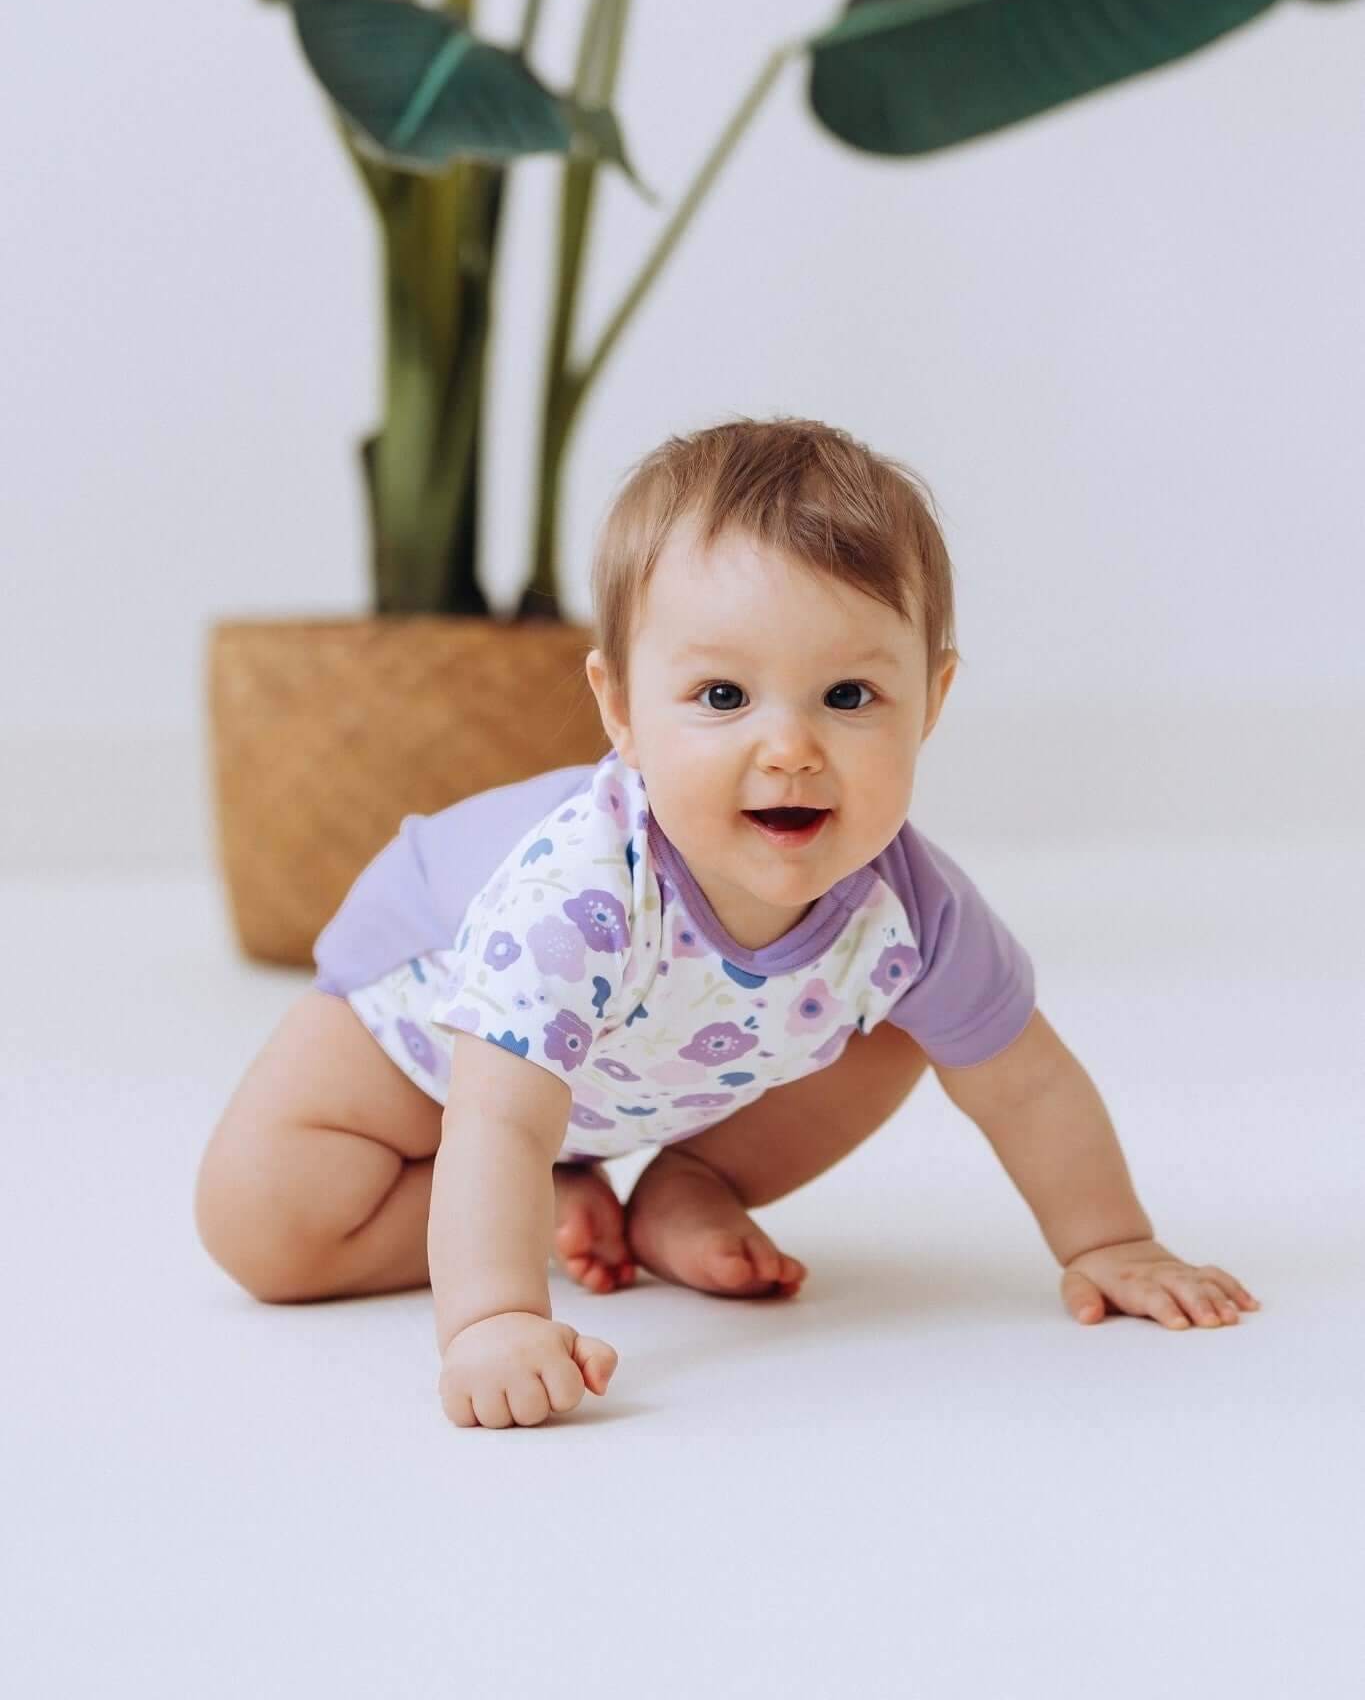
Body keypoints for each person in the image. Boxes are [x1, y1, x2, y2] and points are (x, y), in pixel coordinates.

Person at [194, 414, 1260, 1429]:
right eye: (721, 696)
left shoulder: (909, 911)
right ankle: (553, 1214)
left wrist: (1111, 1241)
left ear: (931, 701)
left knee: (912, 1026)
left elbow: (1027, 1084)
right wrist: (495, 1319)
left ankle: (690, 1184)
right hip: (423, 1030)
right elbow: (499, 1119)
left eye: (848, 696)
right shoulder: (577, 893)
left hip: (627, 1077)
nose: (790, 747)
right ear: (622, 709)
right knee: (262, 1227)